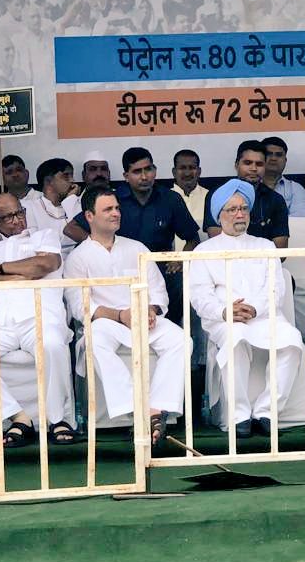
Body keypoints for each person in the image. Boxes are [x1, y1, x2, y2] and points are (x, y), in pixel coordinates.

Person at [63, 187, 187, 445]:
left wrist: (151, 310)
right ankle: (136, 407)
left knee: (180, 340)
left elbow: (158, 291)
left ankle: (157, 409)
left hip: (143, 319)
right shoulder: (77, 258)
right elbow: (80, 307)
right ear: (89, 216)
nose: (116, 213)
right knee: (95, 342)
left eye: (117, 208)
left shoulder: (137, 248)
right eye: (108, 209)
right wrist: (121, 315)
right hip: (106, 323)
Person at [0, 194, 76, 447]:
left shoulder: (44, 236)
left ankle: (57, 420)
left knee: (52, 344)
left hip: (39, 315)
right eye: (8, 217)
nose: (17, 219)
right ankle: (18, 417)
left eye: (19, 212)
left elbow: (45, 264)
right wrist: (17, 277)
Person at [190, 180, 305, 438]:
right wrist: (224, 312)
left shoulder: (265, 246)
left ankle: (267, 411)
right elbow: (199, 296)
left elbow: (276, 289)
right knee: (236, 339)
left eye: (243, 208)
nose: (239, 214)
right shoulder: (204, 250)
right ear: (219, 215)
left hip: (263, 316)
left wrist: (253, 309)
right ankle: (239, 415)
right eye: (231, 209)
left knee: (292, 341)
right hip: (222, 319)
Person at [67, 147, 200, 324]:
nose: (144, 176)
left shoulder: (170, 199)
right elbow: (71, 228)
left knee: (186, 286)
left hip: (163, 269)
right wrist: (98, 247)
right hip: (123, 269)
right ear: (126, 175)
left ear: (155, 171)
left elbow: (193, 238)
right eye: (137, 171)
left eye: (148, 169)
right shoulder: (115, 200)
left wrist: (180, 258)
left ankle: (176, 332)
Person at [204, 141, 289, 248]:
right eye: (248, 163)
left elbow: (280, 250)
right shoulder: (218, 194)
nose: (253, 168)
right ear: (236, 165)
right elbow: (216, 239)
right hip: (224, 261)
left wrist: (253, 261)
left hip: (262, 263)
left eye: (259, 164)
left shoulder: (276, 200)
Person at [24, 158, 81, 258]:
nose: (72, 180)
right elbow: (36, 243)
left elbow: (83, 235)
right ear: (49, 181)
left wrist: (70, 199)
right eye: (66, 176)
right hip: (47, 263)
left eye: (72, 175)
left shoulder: (75, 203)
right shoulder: (29, 207)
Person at [170, 148, 208, 251]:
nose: (187, 173)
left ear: (199, 171)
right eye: (182, 168)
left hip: (205, 263)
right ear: (174, 172)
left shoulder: (210, 198)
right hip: (170, 264)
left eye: (192, 168)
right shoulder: (164, 199)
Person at [262, 136, 305, 218]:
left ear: (285, 160)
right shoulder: (249, 186)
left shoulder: (295, 189)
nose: (273, 158)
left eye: (279, 155)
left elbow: (299, 222)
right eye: (269, 154)